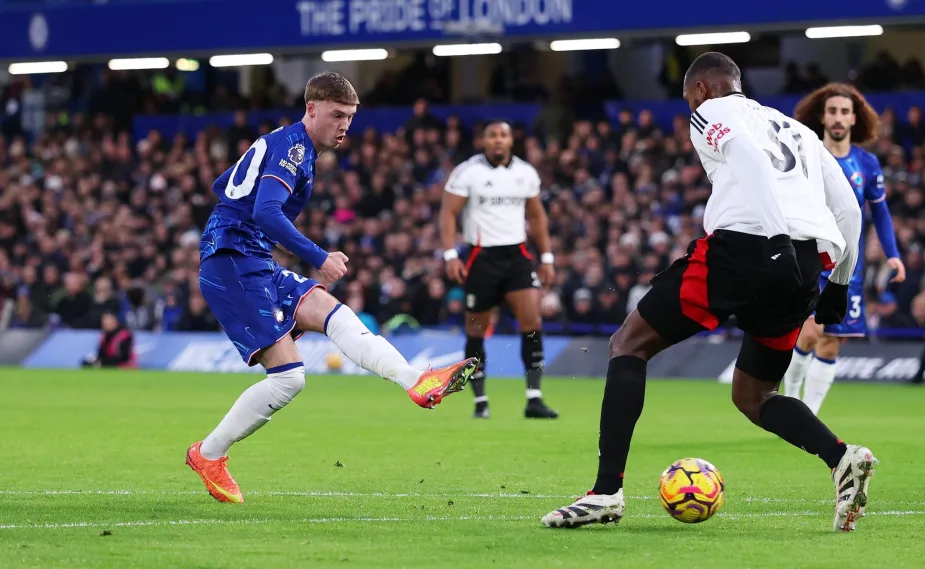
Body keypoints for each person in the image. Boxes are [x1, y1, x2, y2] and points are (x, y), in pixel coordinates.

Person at [540, 52, 876, 533]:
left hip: (746, 250)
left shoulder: (712, 111)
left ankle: (606, 492)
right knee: (755, 396)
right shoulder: (795, 128)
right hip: (807, 266)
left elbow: (750, 165)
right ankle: (842, 457)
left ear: (700, 90)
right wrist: (839, 283)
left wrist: (775, 239)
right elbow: (847, 207)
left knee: (628, 344)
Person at [186, 72, 479, 504]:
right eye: (337, 114)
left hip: (254, 259)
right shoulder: (292, 147)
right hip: (231, 260)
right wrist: (319, 256)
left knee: (335, 313)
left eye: (351, 117)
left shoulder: (294, 147)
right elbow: (265, 212)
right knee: (289, 379)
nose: (344, 125)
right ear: (311, 109)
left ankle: (416, 380)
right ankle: (208, 454)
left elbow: (228, 189)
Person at [782, 83, 905, 415]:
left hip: (848, 266)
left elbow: (880, 211)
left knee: (832, 342)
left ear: (854, 119)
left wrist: (892, 253)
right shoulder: (805, 156)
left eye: (844, 112)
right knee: (808, 333)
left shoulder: (866, 163)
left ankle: (808, 415)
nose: (838, 118)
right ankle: (791, 399)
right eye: (832, 111)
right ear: (822, 116)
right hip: (810, 259)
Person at [439, 120, 558, 419]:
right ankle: (480, 401)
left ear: (511, 141)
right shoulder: (468, 172)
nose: (498, 141)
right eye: (492, 135)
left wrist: (546, 257)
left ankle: (534, 397)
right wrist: (451, 254)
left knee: (532, 322)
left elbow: (537, 216)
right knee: (476, 330)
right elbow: (448, 212)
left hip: (516, 255)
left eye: (503, 135)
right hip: (481, 257)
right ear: (483, 141)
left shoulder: (525, 173)